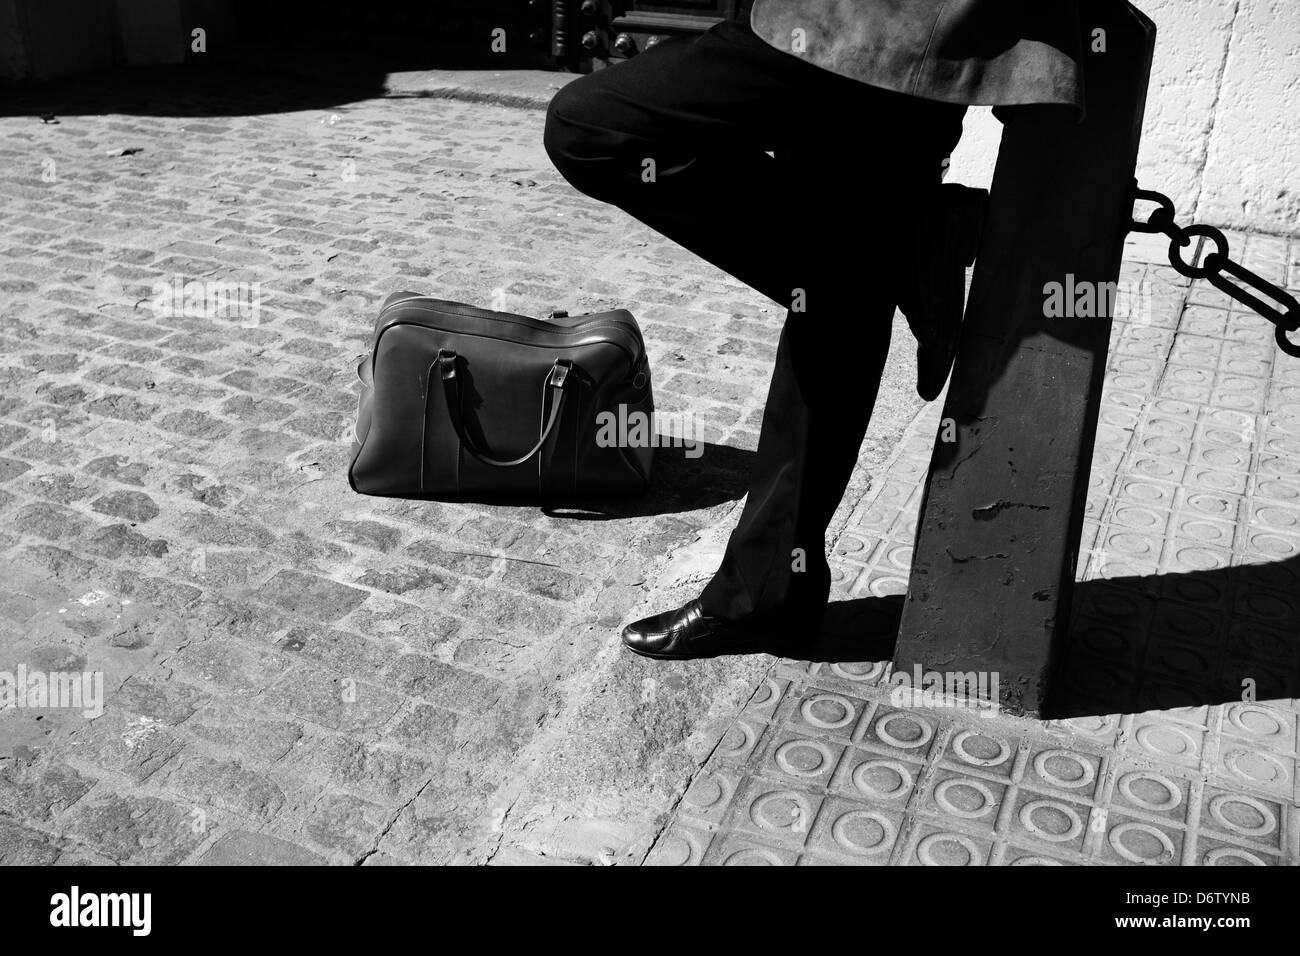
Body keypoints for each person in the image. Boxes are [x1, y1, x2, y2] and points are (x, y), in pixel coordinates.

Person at [543, 0, 1084, 659]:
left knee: (591, 124)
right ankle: (770, 593)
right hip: (873, 41)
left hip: (873, 28)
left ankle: (891, 257)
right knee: (839, 284)